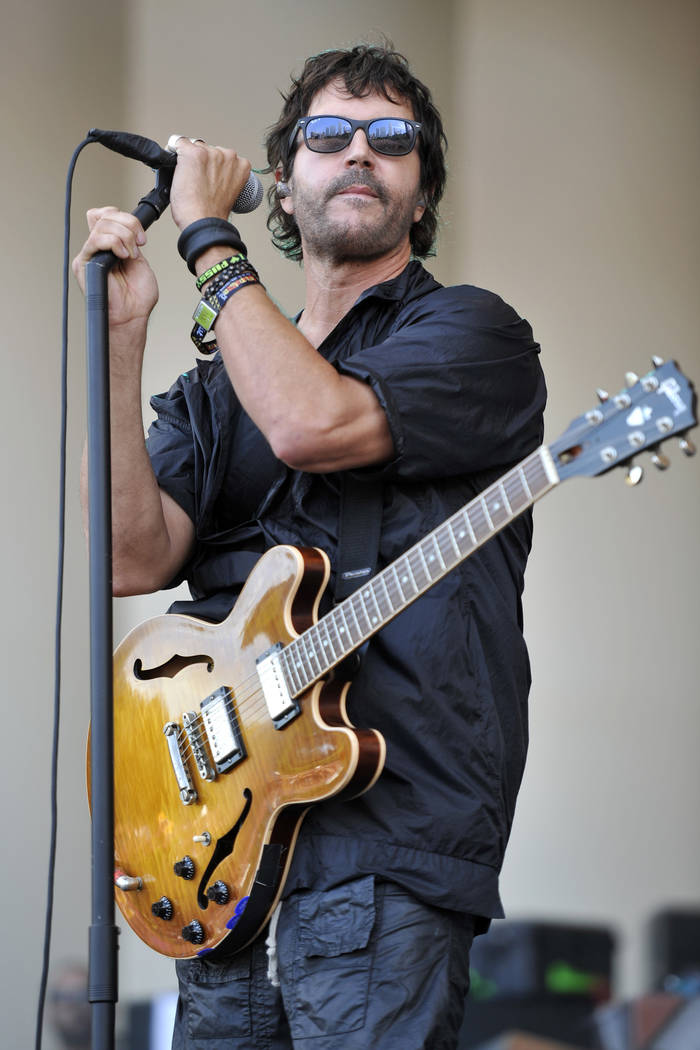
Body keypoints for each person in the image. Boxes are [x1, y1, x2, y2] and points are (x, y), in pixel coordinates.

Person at [74, 42, 546, 1050]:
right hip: (226, 849)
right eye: (329, 137)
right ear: (284, 187)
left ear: (421, 197)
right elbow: (128, 557)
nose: (361, 154)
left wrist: (207, 242)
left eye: (393, 139)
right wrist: (119, 345)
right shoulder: (216, 389)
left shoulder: (473, 335)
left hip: (387, 851)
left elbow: (309, 424)